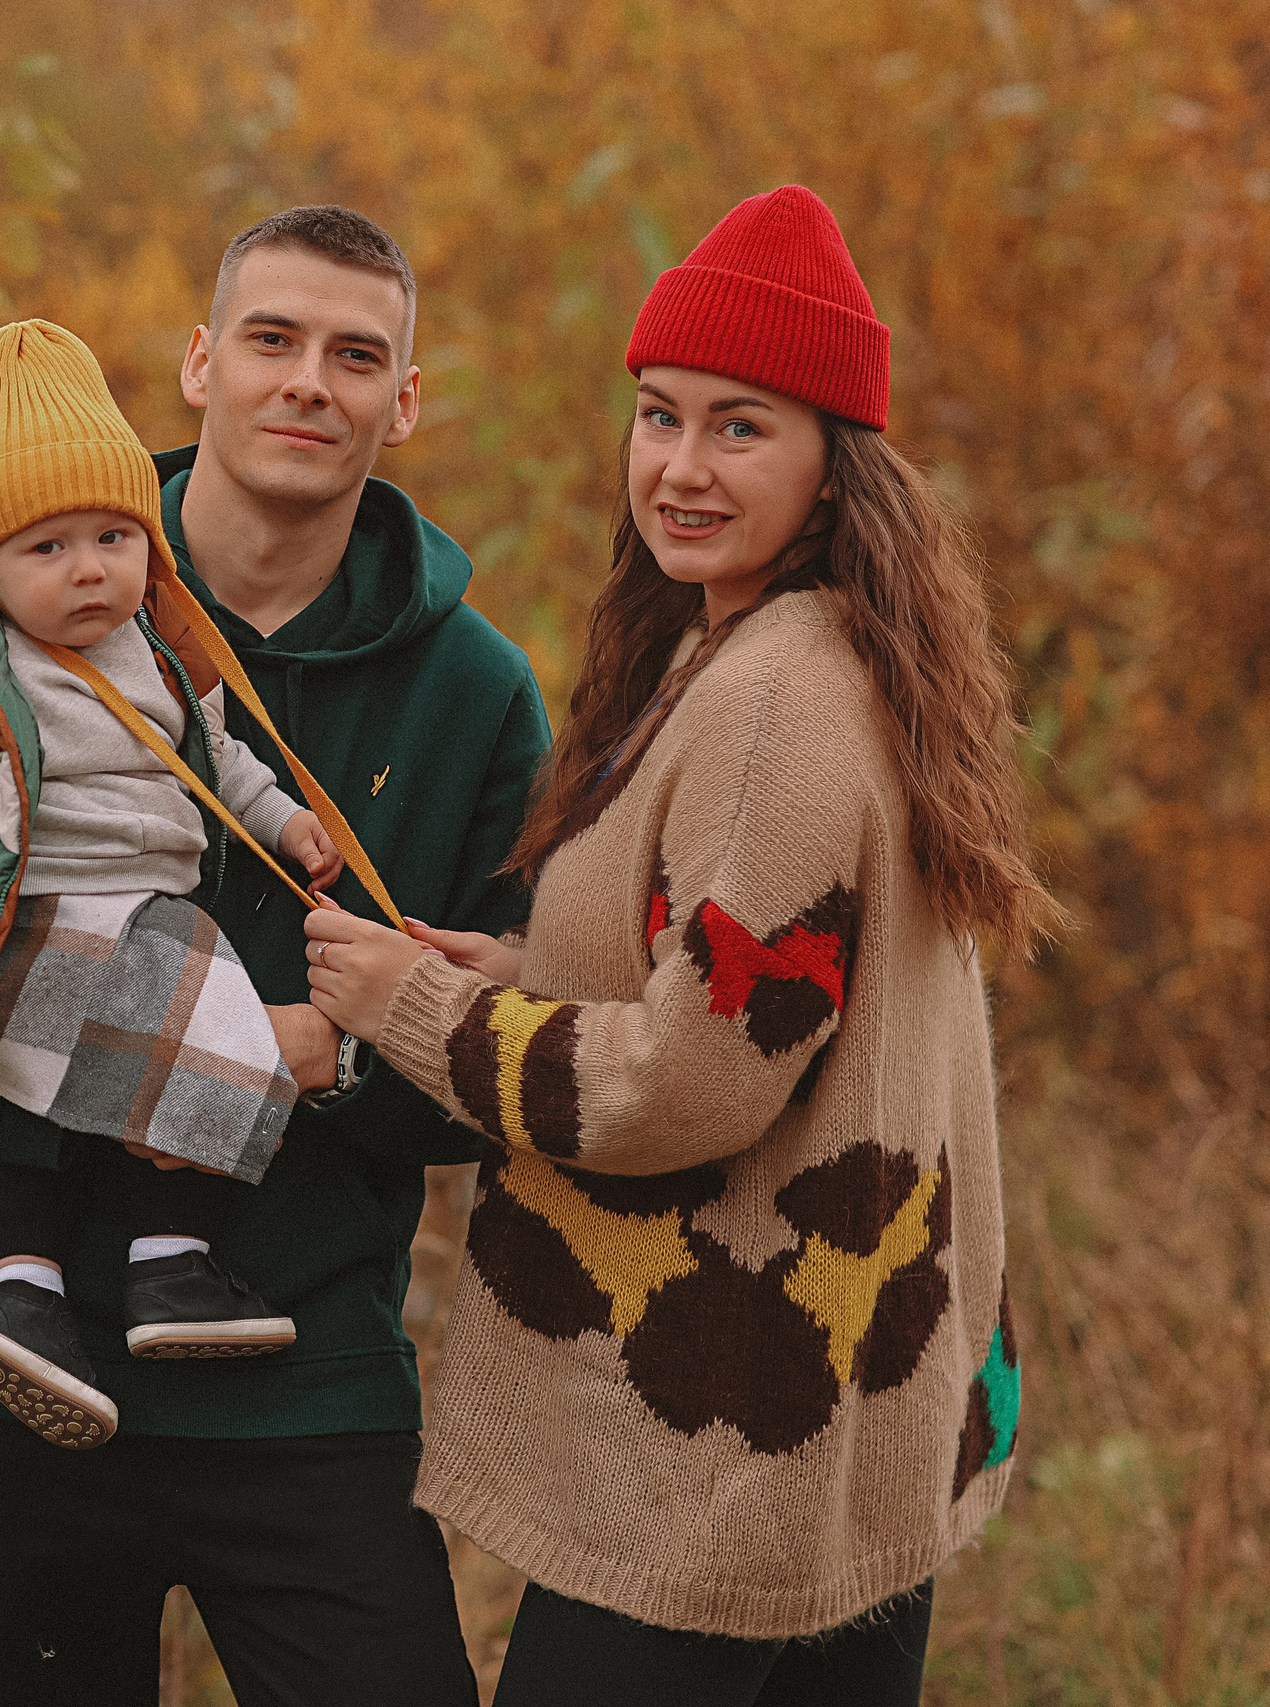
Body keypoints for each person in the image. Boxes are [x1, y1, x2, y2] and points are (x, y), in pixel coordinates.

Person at [0, 206, 549, 1704]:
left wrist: (338, 1052)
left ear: (404, 399)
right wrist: (43, 1046)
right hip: (5, 1363)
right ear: (198, 364)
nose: (309, 381)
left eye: (356, 354)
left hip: (302, 1361)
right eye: (272, 339)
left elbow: (517, 1055)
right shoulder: (3, 599)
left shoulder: (476, 694)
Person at [301, 185, 1057, 1706]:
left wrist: (417, 1009)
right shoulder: (815, 651)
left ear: (836, 465)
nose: (682, 466)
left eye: (740, 427)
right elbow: (772, 993)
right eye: (660, 416)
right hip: (835, 1432)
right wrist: (514, 972)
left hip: (717, 1440)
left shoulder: (776, 695)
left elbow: (701, 1078)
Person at [0, 317, 352, 1446]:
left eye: (112, 537)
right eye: (46, 548)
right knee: (111, 1083)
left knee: (150, 1085)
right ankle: (31, 1286)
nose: (88, 570)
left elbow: (219, 763)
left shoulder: (164, 655)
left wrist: (287, 825)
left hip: (153, 913)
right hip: (38, 921)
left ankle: (157, 1271)